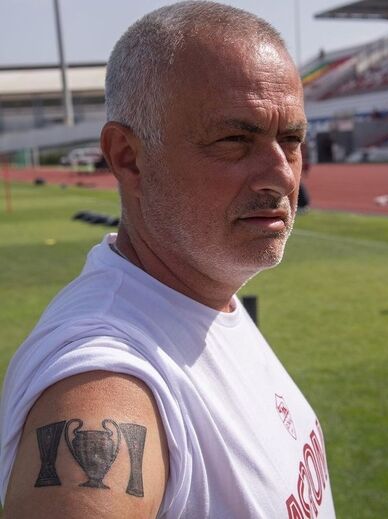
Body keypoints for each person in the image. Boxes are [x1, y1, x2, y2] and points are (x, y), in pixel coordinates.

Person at [0, 2, 336, 518]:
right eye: (235, 140)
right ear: (128, 157)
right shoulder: (105, 376)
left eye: (291, 139)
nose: (283, 175)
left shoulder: (204, 296)